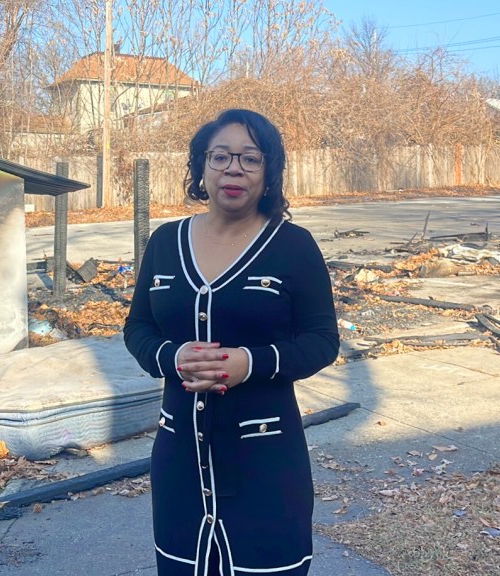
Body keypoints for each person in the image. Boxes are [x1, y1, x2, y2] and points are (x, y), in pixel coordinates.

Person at [124, 109, 340, 576]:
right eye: (220, 157)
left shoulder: (293, 246)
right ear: (201, 168)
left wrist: (250, 363)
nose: (234, 169)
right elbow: (137, 328)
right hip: (180, 456)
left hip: (265, 457)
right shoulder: (165, 242)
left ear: (269, 172)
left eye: (250, 158)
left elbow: (322, 341)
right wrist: (171, 356)